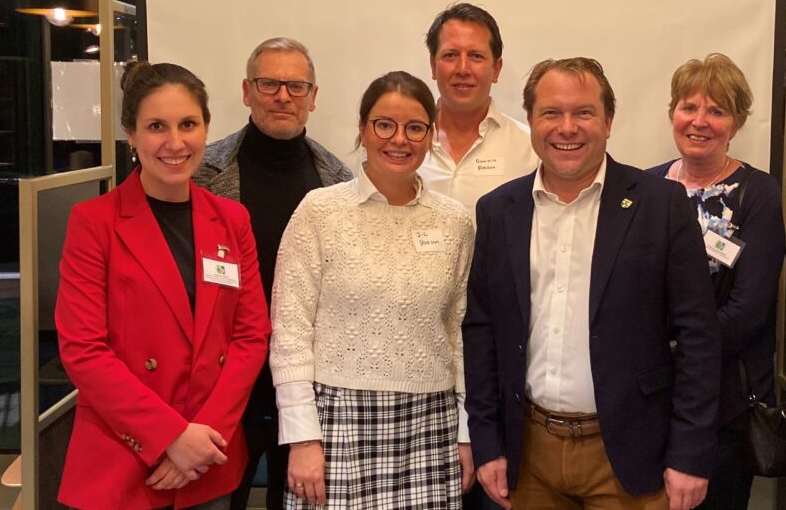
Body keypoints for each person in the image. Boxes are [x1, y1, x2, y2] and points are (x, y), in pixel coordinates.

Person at [463, 57, 721, 510]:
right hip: (530, 453)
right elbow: (482, 332)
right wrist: (487, 443)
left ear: (608, 121)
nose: (568, 128)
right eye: (551, 113)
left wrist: (691, 453)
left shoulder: (660, 206)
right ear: (530, 121)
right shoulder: (497, 210)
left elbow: (698, 336)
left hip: (631, 452)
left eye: (583, 112)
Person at [56, 62, 272, 510]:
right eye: (157, 126)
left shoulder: (232, 221)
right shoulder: (94, 223)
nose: (175, 142)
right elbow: (83, 349)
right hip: (124, 457)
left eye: (188, 124)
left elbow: (251, 336)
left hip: (208, 457)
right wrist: (168, 437)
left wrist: (201, 439)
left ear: (206, 128)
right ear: (131, 135)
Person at [270, 71, 475, 509]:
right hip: (335, 423)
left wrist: (466, 432)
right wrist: (302, 437)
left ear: (430, 135)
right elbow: (289, 331)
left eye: (414, 127)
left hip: (430, 423)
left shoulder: (455, 221)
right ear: (362, 130)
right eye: (384, 124)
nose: (399, 139)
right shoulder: (319, 211)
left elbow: (461, 334)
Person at [193, 37, 351, 510]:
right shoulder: (202, 173)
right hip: (221, 383)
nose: (283, 96)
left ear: (313, 96)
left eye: (296, 86)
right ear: (246, 90)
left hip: (304, 387)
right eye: (269, 83)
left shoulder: (338, 181)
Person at [647, 54, 785, 510]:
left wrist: (673, 354)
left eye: (717, 111)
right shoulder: (645, 189)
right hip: (649, 399)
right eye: (689, 107)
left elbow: (748, 310)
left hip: (722, 402)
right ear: (672, 113)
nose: (699, 122)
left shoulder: (759, 195)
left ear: (737, 122)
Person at [419, 3, 539, 213]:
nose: (463, 69)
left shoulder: (531, 147)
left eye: (476, 56)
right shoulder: (403, 146)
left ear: (496, 69)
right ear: (433, 65)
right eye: (451, 55)